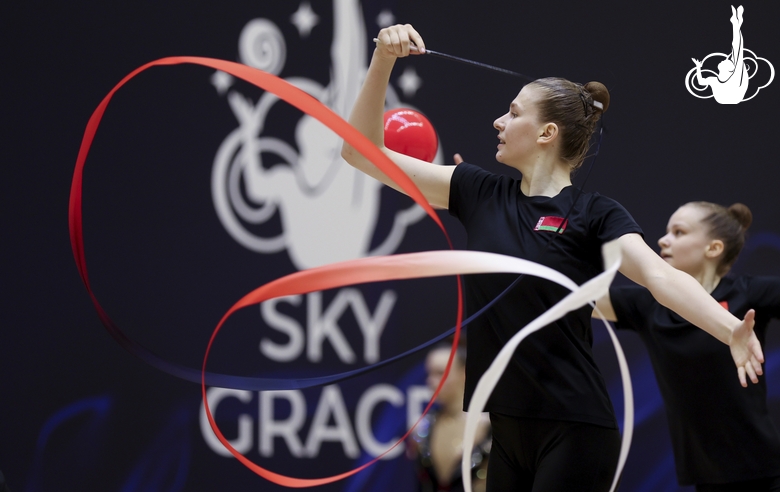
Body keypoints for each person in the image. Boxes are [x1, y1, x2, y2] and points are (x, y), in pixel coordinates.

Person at [340, 24, 763, 491]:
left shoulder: (594, 214)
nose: (498, 122)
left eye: (513, 112)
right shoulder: (477, 190)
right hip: (505, 427)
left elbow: (660, 279)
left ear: (546, 132)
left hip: (574, 428)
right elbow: (360, 153)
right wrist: (382, 58)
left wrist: (731, 332)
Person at [595, 202, 780, 491]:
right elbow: (576, 297)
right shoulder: (646, 304)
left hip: (764, 470)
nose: (662, 240)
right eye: (667, 231)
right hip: (704, 475)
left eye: (678, 232)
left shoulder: (748, 292)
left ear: (713, 248)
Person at [408, 342, 491, 492]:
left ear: (463, 373)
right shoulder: (422, 428)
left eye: (440, 373)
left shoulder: (490, 427)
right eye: (429, 373)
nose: (431, 381)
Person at [692, 5, 749, 104]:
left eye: (727, 61)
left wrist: (698, 67)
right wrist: (698, 67)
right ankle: (736, 24)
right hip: (731, 96)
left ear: (729, 70)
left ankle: (736, 24)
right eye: (728, 61)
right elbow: (701, 82)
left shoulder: (724, 79)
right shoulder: (716, 80)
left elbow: (701, 82)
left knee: (737, 51)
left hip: (732, 95)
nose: (724, 59)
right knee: (737, 52)